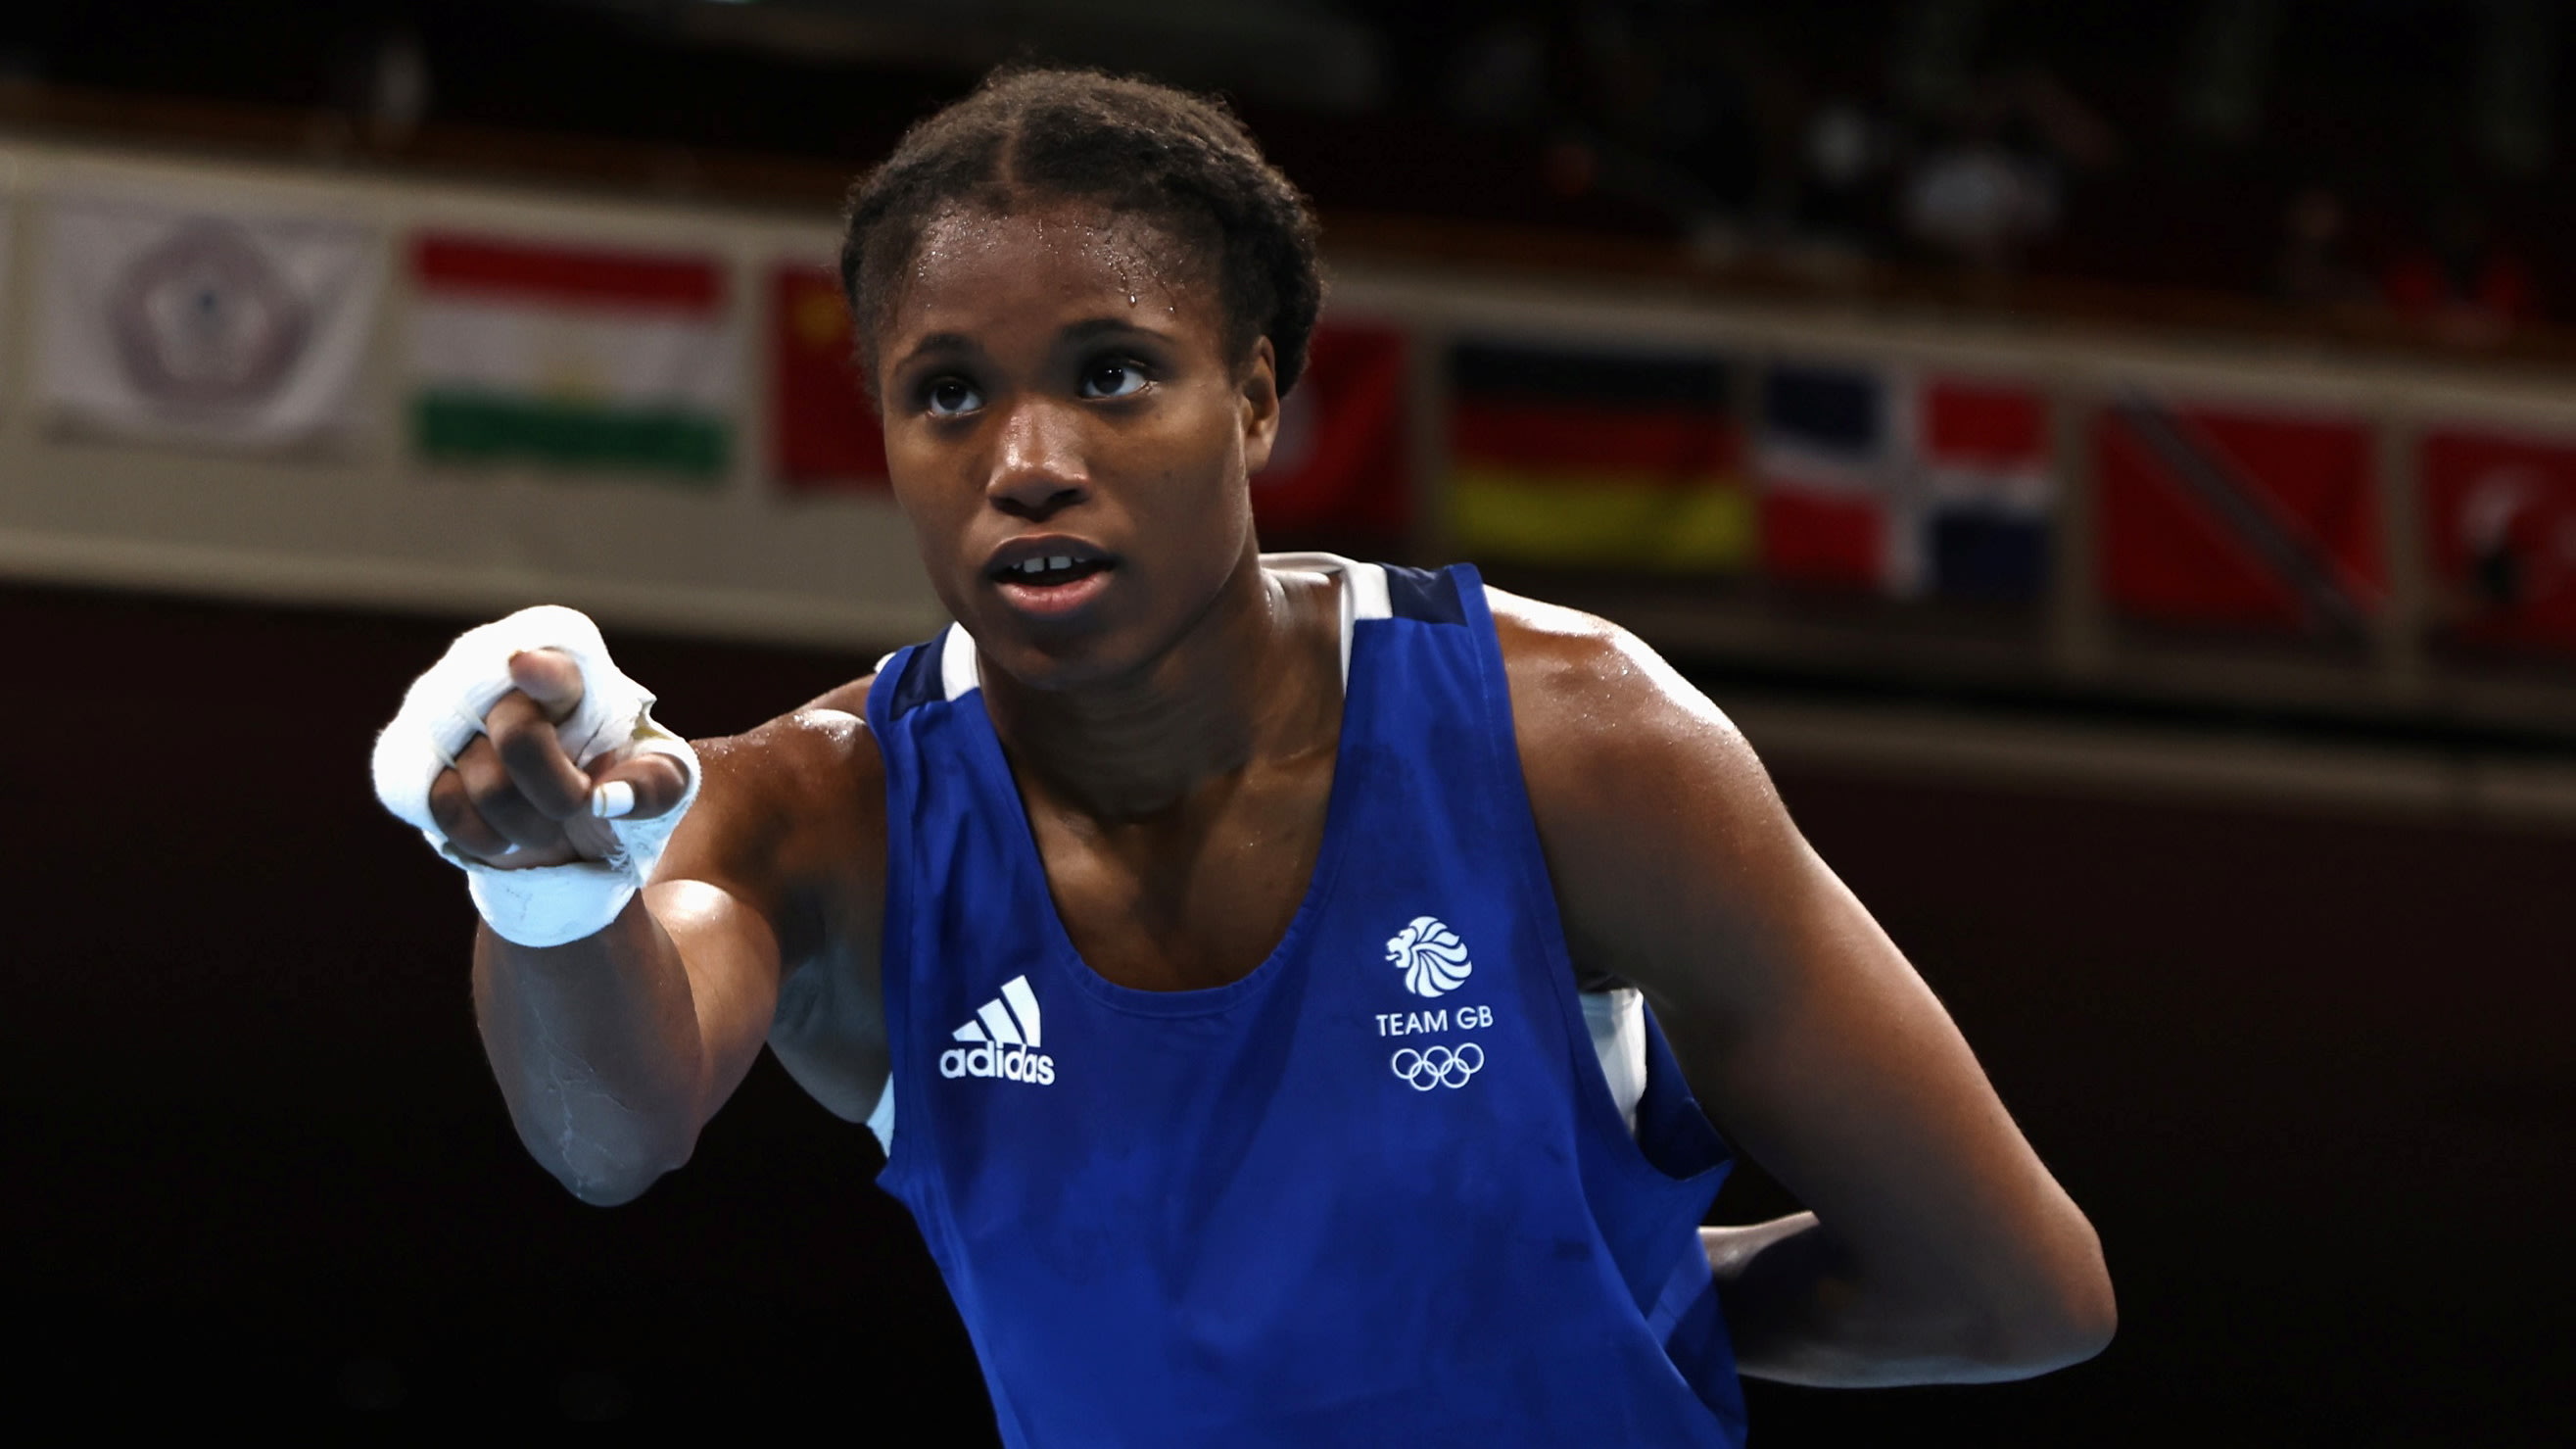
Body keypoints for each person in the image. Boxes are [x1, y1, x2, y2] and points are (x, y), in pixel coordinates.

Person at [370, 68, 2113, 1446]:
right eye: (947, 394)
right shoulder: (818, 814)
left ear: (1260, 397)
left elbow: (2015, 1291)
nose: (1027, 460)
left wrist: (1591, 1298)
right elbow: (608, 1135)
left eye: (1112, 375)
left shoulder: (1572, 745)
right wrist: (540, 887)